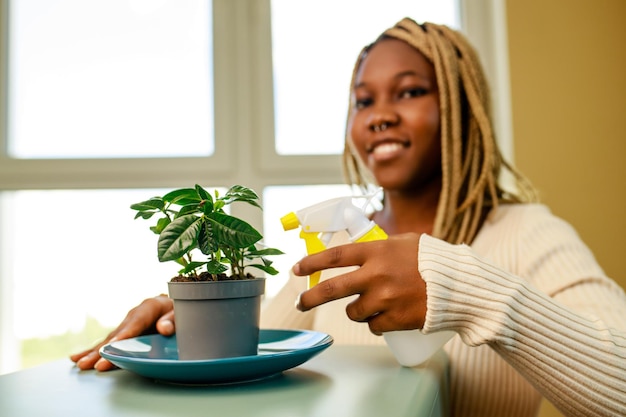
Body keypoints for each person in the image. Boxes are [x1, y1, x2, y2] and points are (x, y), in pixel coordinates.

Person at [71, 18, 626, 417]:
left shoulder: (530, 234)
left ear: (461, 108)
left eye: (409, 91)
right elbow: (266, 346)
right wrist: (192, 327)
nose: (380, 115)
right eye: (363, 101)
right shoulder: (339, 239)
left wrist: (460, 285)